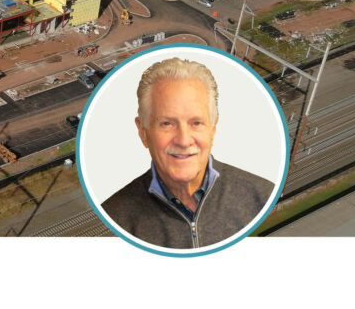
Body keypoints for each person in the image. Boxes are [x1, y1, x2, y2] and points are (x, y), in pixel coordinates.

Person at [101, 57, 274, 249]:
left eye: (196, 123)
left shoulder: (262, 195)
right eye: (167, 124)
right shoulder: (112, 218)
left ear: (213, 128)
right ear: (143, 132)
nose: (183, 140)